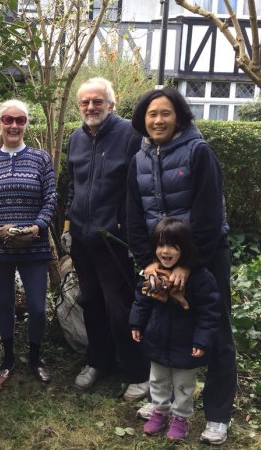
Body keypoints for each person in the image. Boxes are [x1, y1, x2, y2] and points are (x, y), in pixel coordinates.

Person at [127, 86, 237, 445]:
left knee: (216, 331)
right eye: (151, 114)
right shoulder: (140, 157)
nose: (158, 120)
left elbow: (208, 212)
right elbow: (132, 212)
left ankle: (217, 416)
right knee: (161, 325)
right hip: (158, 262)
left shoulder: (198, 152)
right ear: (143, 120)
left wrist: (189, 266)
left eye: (165, 113)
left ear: (180, 117)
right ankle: (163, 405)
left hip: (204, 258)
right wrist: (146, 262)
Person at [64, 77, 150, 399]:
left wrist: (125, 228)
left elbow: (138, 187)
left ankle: (137, 372)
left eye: (97, 101)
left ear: (111, 105)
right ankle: (97, 362)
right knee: (91, 303)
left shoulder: (130, 134)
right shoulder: (75, 137)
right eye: (85, 102)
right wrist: (70, 221)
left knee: (121, 307)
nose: (90, 107)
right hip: (83, 237)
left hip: (114, 240)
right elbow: (73, 184)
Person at [0, 99, 57, 383]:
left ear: (26, 124)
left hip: (34, 245)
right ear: (0, 124)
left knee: (37, 305)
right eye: (8, 120)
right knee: (5, 302)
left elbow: (51, 199)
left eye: (20, 120)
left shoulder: (41, 159)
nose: (14, 125)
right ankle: (7, 358)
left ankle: (34, 357)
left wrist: (37, 227)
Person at [129, 217, 221, 442]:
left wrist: (201, 341)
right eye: (160, 245)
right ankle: (159, 412)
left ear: (185, 249)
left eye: (172, 246)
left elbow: (209, 312)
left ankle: (180, 418)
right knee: (157, 380)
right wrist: (137, 323)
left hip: (186, 343)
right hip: (157, 339)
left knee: (183, 385)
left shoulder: (200, 278)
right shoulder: (153, 275)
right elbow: (142, 300)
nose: (165, 251)